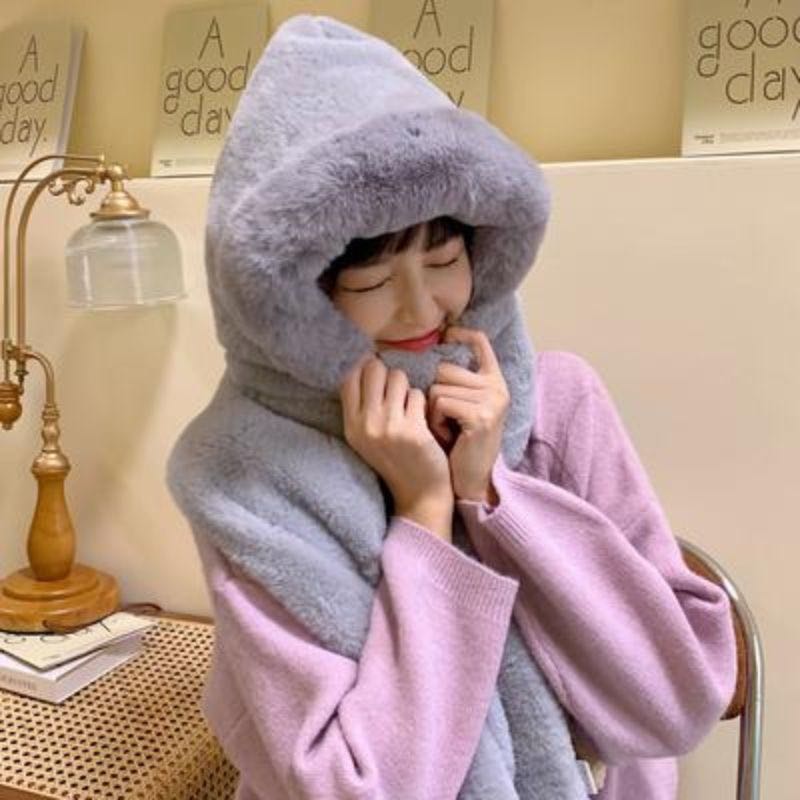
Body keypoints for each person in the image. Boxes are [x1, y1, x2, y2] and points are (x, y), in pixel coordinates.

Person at [166, 14, 738, 800]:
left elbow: (677, 700)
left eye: (443, 258)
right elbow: (355, 787)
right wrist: (425, 515)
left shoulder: (559, 401)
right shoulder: (243, 472)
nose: (420, 307)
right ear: (299, 291)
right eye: (371, 279)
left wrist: (491, 495)